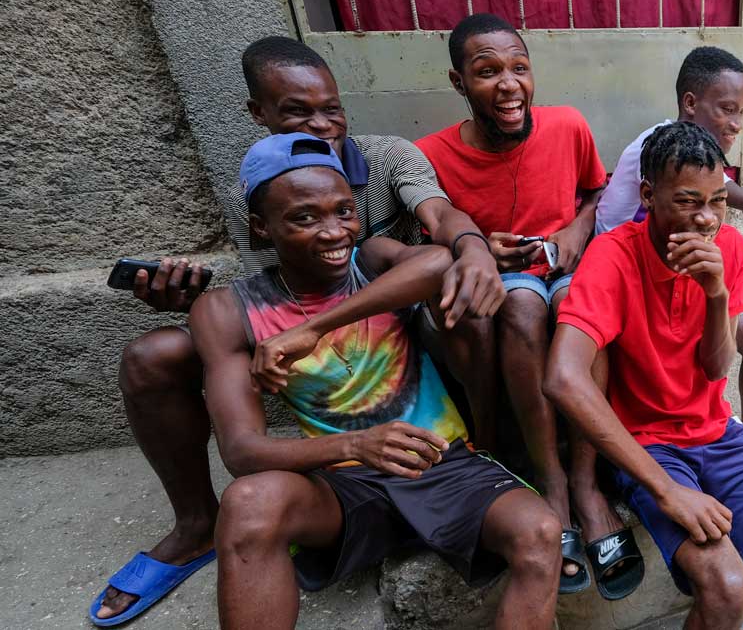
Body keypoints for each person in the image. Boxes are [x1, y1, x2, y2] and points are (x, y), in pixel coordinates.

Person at [91, 37, 505, 625]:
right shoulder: (257, 184)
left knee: (474, 304)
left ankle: (486, 455)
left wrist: (471, 247)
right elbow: (270, 287)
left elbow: (439, 222)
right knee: (152, 356)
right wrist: (194, 304)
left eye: (331, 108)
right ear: (258, 113)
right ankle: (197, 524)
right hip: (310, 334)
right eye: (297, 111)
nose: (322, 123)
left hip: (405, 312)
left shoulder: (387, 156)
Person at [189, 133, 560, 629]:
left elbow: (438, 261)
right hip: (345, 483)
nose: (333, 232)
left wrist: (312, 328)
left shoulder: (370, 261)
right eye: (304, 217)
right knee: (249, 504)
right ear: (260, 227)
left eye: (343, 211)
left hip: (443, 461)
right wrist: (360, 444)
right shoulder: (226, 311)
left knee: (540, 532)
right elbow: (242, 452)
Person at [545, 122, 743, 629]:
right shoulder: (614, 255)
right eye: (689, 201)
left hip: (719, 435)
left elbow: (716, 368)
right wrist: (666, 490)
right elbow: (562, 378)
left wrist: (717, 293)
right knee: (727, 589)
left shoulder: (730, 249)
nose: (707, 219)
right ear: (648, 195)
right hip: (650, 448)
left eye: (718, 200)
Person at [415, 13, 633, 594]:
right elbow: (432, 229)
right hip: (508, 282)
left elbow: (597, 192)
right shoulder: (431, 154)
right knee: (523, 309)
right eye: (487, 72)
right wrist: (480, 248)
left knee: (582, 310)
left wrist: (576, 231)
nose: (509, 84)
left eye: (519, 67)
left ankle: (587, 485)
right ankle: (552, 481)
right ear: (460, 83)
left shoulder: (567, 126)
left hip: (563, 261)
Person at [595, 46, 743, 485]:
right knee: (723, 350)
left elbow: (723, 190)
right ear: (690, 104)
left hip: (680, 277)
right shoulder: (664, 150)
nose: (736, 124)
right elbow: (685, 247)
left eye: (742, 113)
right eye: (726, 109)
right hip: (634, 283)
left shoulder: (697, 152)